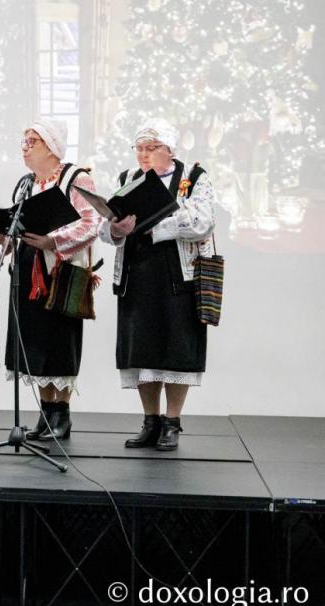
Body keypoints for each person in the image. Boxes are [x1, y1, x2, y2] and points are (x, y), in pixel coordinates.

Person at [102, 118, 216, 451]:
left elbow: (203, 221)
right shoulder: (128, 178)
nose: (144, 154)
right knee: (142, 350)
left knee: (176, 349)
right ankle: (150, 420)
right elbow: (105, 226)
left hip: (177, 277)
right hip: (137, 274)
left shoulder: (194, 177)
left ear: (170, 149)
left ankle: (172, 421)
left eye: (151, 148)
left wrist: (154, 225)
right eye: (139, 148)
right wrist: (116, 229)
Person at [2, 120, 102, 441]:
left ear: (51, 146)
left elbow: (91, 223)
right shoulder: (26, 183)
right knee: (35, 342)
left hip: (60, 271)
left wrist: (53, 241)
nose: (26, 147)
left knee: (59, 341)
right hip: (28, 269)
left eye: (33, 141)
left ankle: (62, 413)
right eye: (25, 141)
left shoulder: (76, 178)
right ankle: (46, 413)